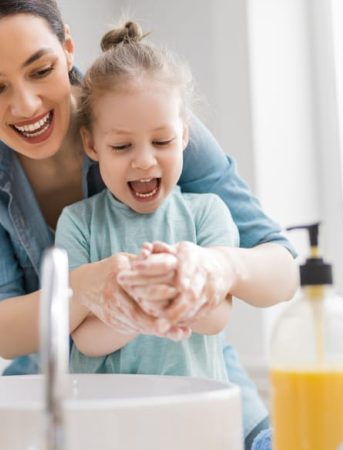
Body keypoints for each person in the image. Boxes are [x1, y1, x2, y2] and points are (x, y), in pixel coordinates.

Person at [0, 1, 299, 448]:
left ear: (67, 47)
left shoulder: (144, 106)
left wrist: (219, 267)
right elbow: (1, 329)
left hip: (191, 385)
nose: (26, 105)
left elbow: (280, 268)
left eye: (41, 69)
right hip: (65, 396)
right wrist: (87, 286)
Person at [57, 21, 237, 381]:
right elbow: (85, 338)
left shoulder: (207, 213)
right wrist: (142, 307)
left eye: (162, 142)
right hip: (107, 422)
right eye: (122, 146)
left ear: (183, 134)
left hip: (191, 418)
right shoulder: (78, 223)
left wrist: (167, 295)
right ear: (92, 145)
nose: (144, 160)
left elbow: (217, 318)